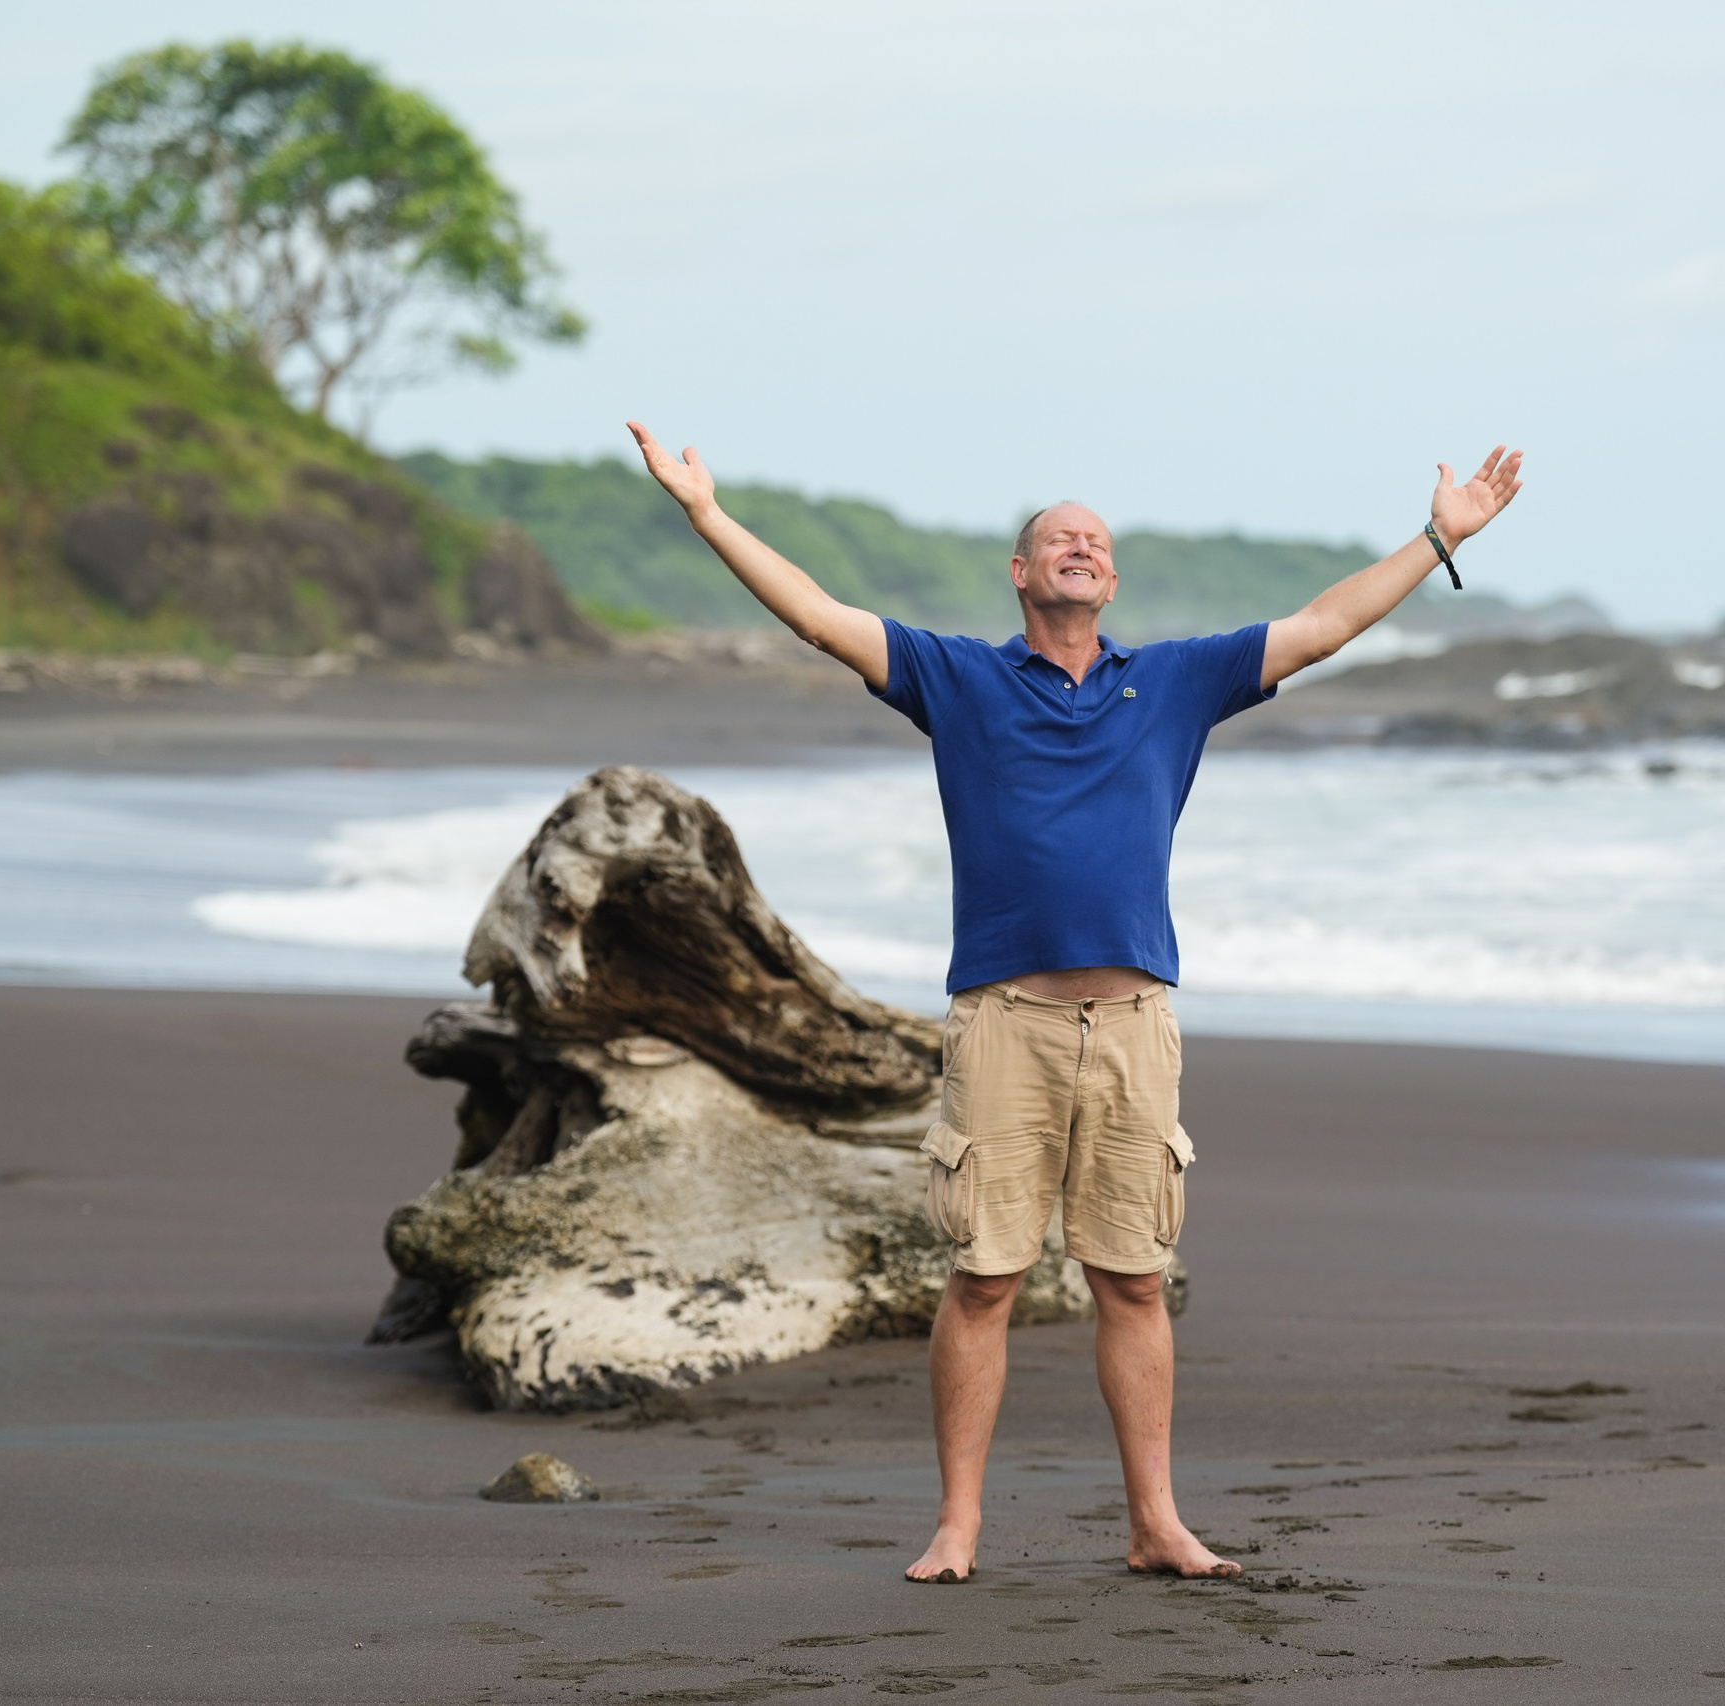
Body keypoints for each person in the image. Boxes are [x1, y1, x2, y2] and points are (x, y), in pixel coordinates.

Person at [628, 422, 1523, 1582]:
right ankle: (958, 1523)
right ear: (1021, 571)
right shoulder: (957, 677)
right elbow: (815, 612)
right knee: (985, 1275)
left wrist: (1434, 540)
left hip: (1136, 1024)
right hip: (1005, 1020)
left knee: (1133, 1276)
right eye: (1059, 538)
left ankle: (1155, 1520)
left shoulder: (1176, 680)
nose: (1081, 547)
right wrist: (707, 514)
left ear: (1111, 577)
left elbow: (1324, 623)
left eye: (1096, 541)